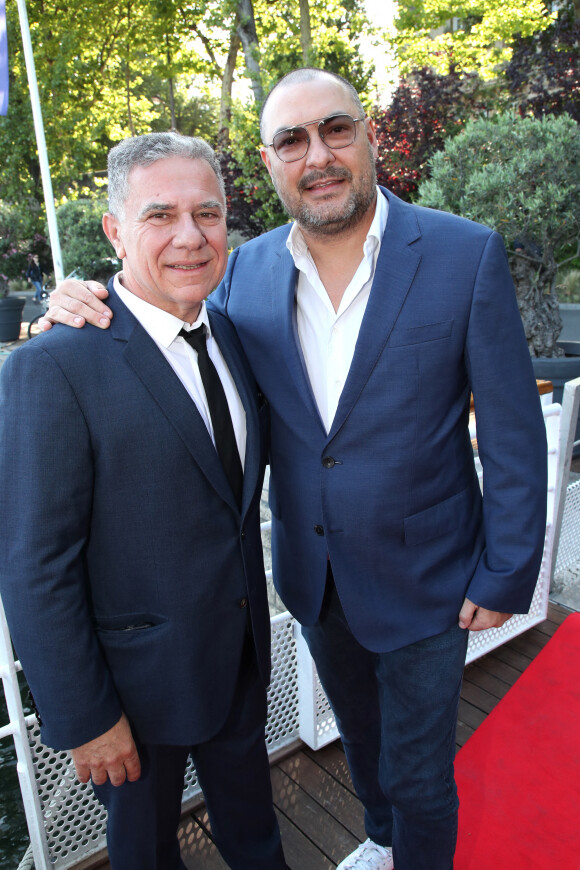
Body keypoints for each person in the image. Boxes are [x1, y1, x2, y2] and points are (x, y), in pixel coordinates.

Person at [43, 68, 548, 870]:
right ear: (272, 161)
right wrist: (70, 302)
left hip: (433, 581)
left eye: (336, 129)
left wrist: (506, 571)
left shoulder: (464, 254)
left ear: (370, 138)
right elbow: (153, 325)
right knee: (361, 743)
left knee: (421, 775)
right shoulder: (242, 273)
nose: (317, 154)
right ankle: (381, 841)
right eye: (291, 140)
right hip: (314, 581)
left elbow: (517, 437)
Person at [0, 132, 287, 870]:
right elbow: (35, 565)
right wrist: (86, 718)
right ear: (114, 231)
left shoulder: (232, 332)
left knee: (257, 835)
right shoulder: (53, 365)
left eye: (209, 213)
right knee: (146, 856)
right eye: (160, 214)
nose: (191, 237)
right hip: (131, 695)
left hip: (239, 660)